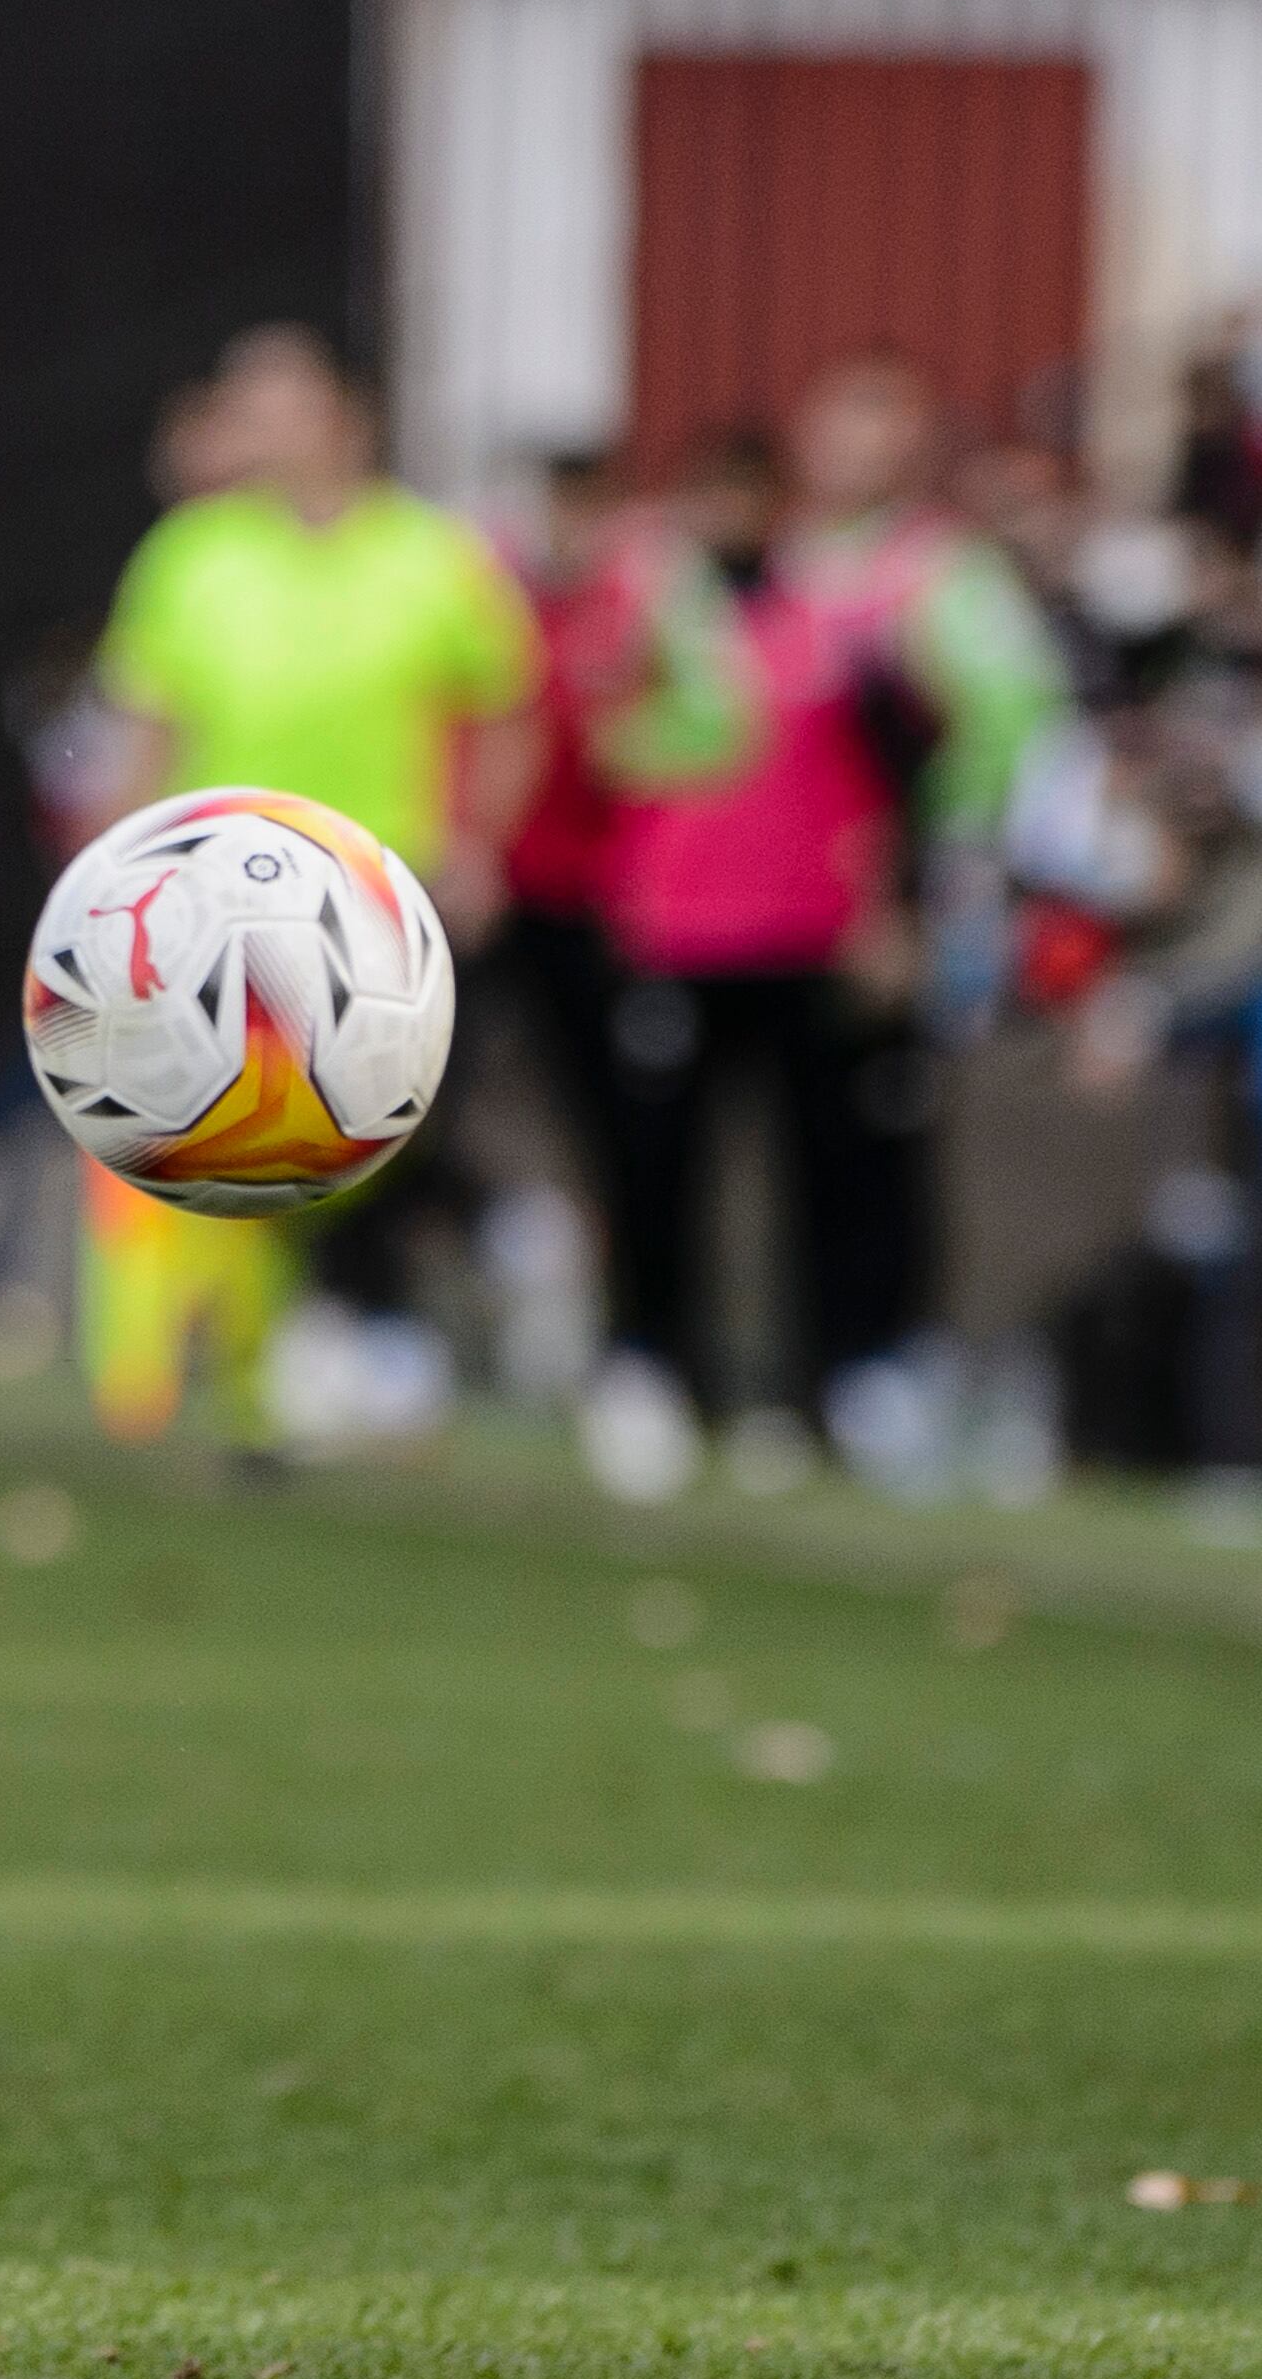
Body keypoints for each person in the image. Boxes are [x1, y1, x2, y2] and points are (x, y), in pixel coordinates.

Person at [577, 355, 1066, 1500]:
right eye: (848, 423)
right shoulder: (709, 579)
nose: (865, 450)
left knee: (844, 1162)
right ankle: (656, 1369)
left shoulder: (930, 577)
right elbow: (656, 730)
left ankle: (846, 1381)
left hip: (835, 925)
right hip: (683, 929)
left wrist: (923, 886)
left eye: (890, 427)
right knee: (660, 1160)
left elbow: (999, 731)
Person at [89, 327, 542, 1444]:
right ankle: (288, 1345)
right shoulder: (191, 554)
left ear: (348, 416)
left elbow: (509, 702)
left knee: (383, 1114)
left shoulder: (433, 554)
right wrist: (111, 877)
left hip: (379, 884)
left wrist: (475, 837)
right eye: (242, 402)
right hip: (215, 888)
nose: (257, 426)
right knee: (248, 1125)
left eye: (280, 401)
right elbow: (146, 721)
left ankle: (398, 1285)